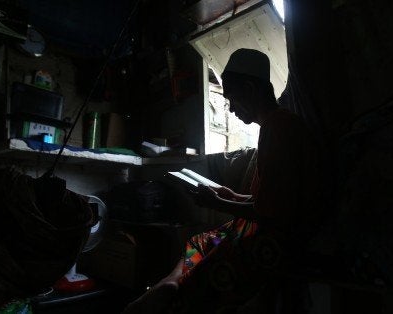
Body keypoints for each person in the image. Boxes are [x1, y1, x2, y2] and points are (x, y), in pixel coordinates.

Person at [122, 48, 321, 314]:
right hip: (267, 225)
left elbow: (276, 213)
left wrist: (217, 203)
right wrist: (231, 196)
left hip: (277, 239)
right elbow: (271, 198)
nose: (231, 108)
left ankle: (178, 289)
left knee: (210, 254)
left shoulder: (278, 128)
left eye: (231, 99)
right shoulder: (277, 125)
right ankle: (171, 282)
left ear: (249, 88)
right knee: (203, 240)